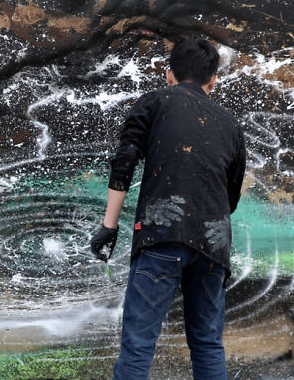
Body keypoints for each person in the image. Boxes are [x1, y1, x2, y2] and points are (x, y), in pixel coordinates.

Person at [90, 37, 246, 380]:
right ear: (213, 81)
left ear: (169, 75)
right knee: (207, 345)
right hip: (213, 249)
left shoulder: (154, 103)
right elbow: (230, 198)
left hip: (161, 240)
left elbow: (125, 161)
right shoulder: (231, 124)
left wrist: (109, 226)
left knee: (138, 345)